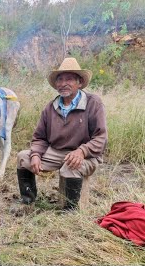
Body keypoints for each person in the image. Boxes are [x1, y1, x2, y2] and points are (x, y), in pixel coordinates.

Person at [16, 57, 107, 210]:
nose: (63, 83)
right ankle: (28, 201)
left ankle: (69, 210)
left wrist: (82, 151)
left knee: (70, 167)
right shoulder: (51, 107)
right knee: (23, 157)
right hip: (56, 152)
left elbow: (101, 138)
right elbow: (40, 137)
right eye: (60, 79)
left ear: (79, 82)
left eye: (69, 79)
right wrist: (36, 155)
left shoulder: (93, 103)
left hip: (87, 155)